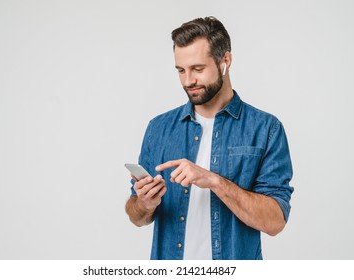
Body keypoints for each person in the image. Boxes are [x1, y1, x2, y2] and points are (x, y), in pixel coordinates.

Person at [125, 16, 294, 260]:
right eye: (181, 70)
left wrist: (214, 181)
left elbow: (275, 221)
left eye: (198, 69)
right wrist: (145, 203)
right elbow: (136, 215)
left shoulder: (266, 128)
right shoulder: (158, 128)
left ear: (225, 61)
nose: (188, 81)